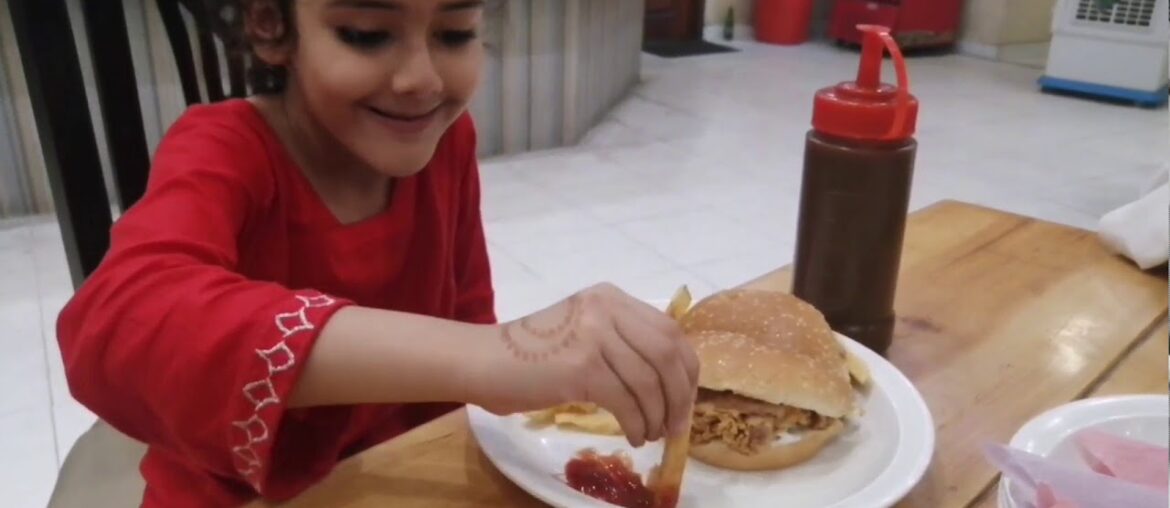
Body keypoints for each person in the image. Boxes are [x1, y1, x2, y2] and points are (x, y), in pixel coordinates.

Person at [54, 0, 699, 506]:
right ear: (271, 24)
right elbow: (113, 323)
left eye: (454, 33)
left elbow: (464, 335)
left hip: (404, 476)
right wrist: (496, 353)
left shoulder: (447, 146)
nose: (420, 79)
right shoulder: (223, 150)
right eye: (365, 32)